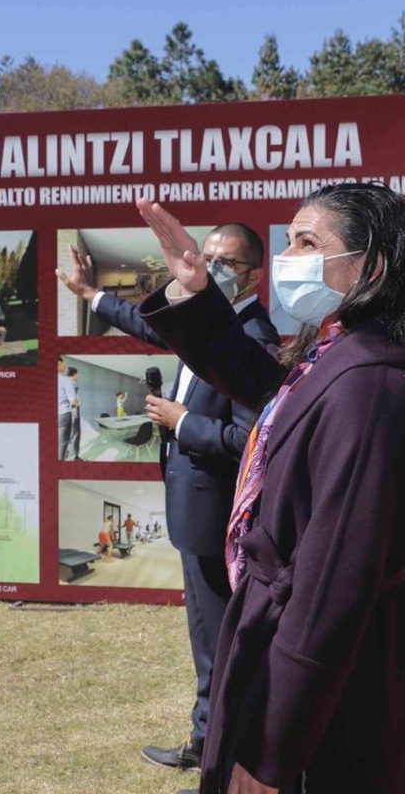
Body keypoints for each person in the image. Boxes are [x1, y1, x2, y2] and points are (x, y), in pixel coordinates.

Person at [136, 183, 405, 794]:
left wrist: (271, 749)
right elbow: (270, 388)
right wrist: (195, 294)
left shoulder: (369, 385)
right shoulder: (345, 347)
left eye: (307, 242)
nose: (289, 256)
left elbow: (331, 588)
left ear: (369, 264)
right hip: (318, 656)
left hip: (333, 683)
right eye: (288, 240)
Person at [57, 223, 279, 775]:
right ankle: (209, 743)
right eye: (205, 257)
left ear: (254, 274)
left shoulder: (252, 336)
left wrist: (185, 423)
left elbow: (253, 443)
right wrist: (92, 297)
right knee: (208, 636)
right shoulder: (208, 325)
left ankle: (216, 756)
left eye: (225, 263)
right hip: (195, 508)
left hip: (216, 514)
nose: (209, 269)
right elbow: (151, 325)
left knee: (216, 639)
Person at [58, 356, 78, 460]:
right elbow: (73, 401)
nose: (65, 365)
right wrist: (75, 411)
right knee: (62, 443)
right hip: (63, 414)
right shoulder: (64, 380)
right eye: (63, 363)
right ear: (58, 363)